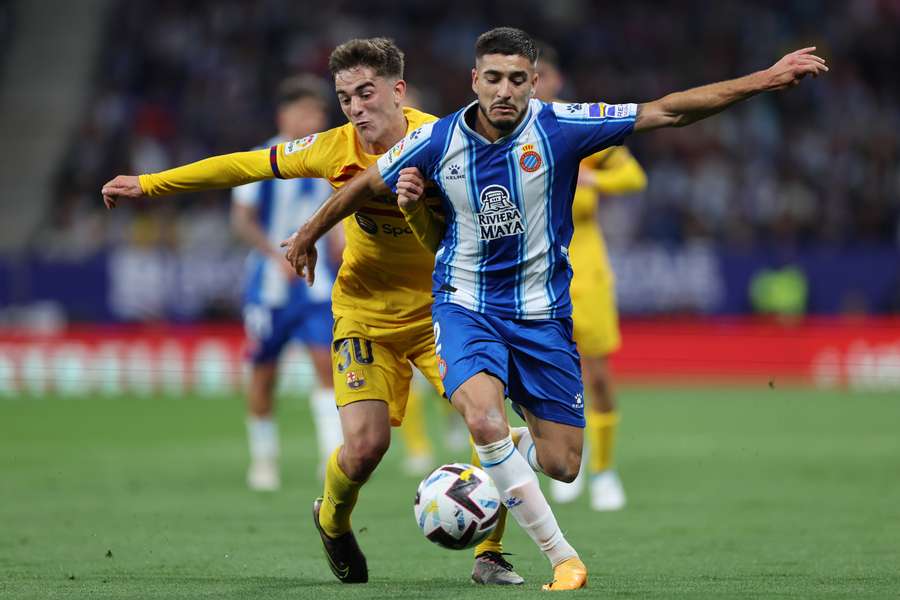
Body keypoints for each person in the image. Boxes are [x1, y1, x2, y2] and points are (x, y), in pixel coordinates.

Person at [280, 27, 827, 591]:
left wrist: (765, 79)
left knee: (564, 462)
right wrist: (306, 236)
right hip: (464, 306)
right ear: (475, 80)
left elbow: (666, 111)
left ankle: (501, 461)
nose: (504, 90)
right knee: (483, 417)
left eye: (518, 79)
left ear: (534, 83)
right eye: (493, 78)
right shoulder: (440, 138)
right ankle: (560, 555)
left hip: (542, 317)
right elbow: (365, 182)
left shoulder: (563, 125)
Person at [101, 38, 523, 586]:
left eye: (366, 93)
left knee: (487, 421)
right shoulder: (331, 148)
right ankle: (331, 519)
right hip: (362, 314)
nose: (355, 108)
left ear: (397, 92)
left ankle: (489, 554)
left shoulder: (446, 139)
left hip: (443, 313)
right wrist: (151, 184)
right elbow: (243, 165)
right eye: (345, 97)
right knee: (366, 447)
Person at [534, 44, 648, 510]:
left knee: (597, 375)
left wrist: (591, 180)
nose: (534, 85)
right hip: (536, 274)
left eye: (542, 77)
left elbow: (634, 177)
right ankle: (563, 462)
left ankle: (603, 470)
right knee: (544, 378)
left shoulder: (579, 132)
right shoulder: (503, 136)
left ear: (557, 83)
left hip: (586, 272)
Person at [231, 75, 342, 491]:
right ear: (285, 115)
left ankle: (331, 459)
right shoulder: (260, 158)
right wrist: (270, 254)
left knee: (326, 366)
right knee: (264, 372)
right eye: (306, 112)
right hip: (269, 286)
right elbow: (241, 220)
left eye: (318, 113)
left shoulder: (329, 157)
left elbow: (340, 213)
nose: (314, 120)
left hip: (316, 285)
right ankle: (264, 461)